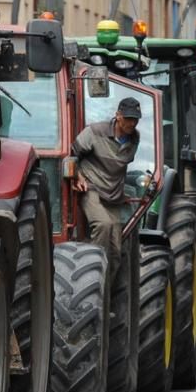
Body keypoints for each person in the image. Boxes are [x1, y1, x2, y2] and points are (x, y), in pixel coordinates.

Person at [71, 97, 141, 276]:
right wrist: (77, 176)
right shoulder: (94, 132)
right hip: (92, 188)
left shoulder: (135, 138)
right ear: (118, 115)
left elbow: (121, 165)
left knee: (116, 252)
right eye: (128, 118)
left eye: (136, 119)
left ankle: (104, 293)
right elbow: (71, 155)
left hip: (114, 195)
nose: (132, 123)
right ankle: (92, 276)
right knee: (103, 224)